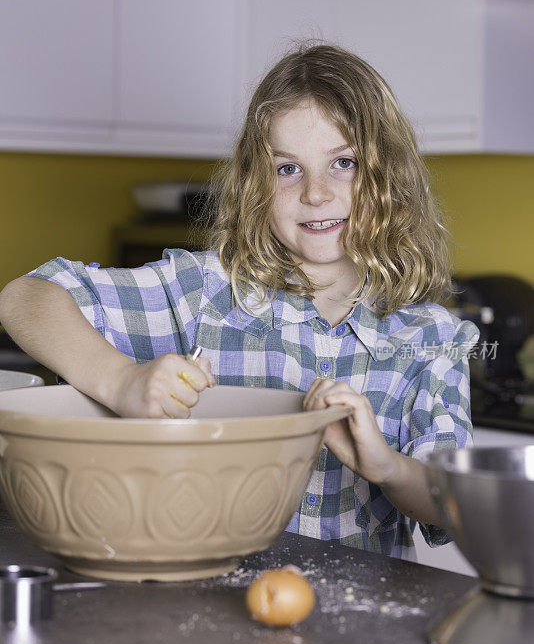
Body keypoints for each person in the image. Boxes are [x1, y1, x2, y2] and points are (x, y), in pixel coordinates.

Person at [0, 42, 479, 560]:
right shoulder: (203, 295)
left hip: (361, 631)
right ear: (255, 182)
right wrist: (122, 381)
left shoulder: (433, 337)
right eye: (287, 169)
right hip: (208, 609)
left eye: (344, 162)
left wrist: (385, 466)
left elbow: (451, 504)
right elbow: (26, 296)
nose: (316, 193)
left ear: (391, 177)